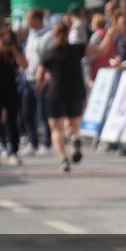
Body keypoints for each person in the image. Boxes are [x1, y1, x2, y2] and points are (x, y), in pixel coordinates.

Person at [37, 23, 87, 172]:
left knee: (56, 129)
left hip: (56, 93)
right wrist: (111, 33)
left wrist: (41, 84)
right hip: (76, 91)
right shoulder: (77, 49)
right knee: (75, 124)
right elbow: (100, 50)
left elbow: (40, 76)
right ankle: (75, 138)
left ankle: (64, 160)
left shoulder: (49, 53)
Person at [0, 25, 28, 165]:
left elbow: (25, 64)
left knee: (12, 120)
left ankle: (13, 152)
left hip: (12, 88)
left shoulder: (16, 50)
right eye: (4, 40)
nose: (7, 43)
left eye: (9, 40)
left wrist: (14, 49)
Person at [20, 8, 53, 156]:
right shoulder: (31, 35)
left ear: (37, 19)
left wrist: (45, 78)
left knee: (44, 113)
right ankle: (32, 143)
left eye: (29, 19)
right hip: (28, 78)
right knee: (27, 112)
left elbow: (49, 60)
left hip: (41, 80)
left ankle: (47, 144)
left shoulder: (49, 35)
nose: (27, 22)